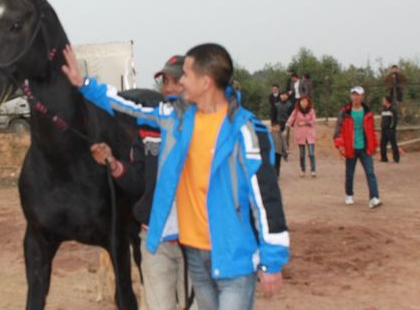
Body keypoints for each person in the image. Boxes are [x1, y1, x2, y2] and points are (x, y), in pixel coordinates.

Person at [62, 43, 289, 310]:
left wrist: (272, 261)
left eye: (186, 74)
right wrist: (84, 84)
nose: (180, 81)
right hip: (194, 253)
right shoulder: (176, 118)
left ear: (205, 82)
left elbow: (266, 198)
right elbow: (126, 106)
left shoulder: (247, 130)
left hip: (233, 257)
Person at [90, 55, 198, 310]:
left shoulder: (206, 126)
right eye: (165, 81)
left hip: (196, 241)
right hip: (154, 239)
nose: (169, 87)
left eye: (176, 81)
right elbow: (138, 182)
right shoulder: (148, 127)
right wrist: (114, 164)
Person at [333, 86, 382, 209]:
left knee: (370, 173)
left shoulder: (368, 113)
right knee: (350, 173)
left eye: (358, 95)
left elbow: (371, 131)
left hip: (365, 147)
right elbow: (338, 131)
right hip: (350, 147)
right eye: (354, 94)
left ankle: (374, 198)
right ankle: (349, 194)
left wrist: (374, 145)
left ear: (362, 97)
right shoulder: (344, 113)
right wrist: (340, 145)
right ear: (351, 96)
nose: (356, 97)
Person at [286, 96, 317, 178]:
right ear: (299, 102)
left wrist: (304, 123)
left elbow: (313, 121)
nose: (304, 103)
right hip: (300, 135)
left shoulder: (311, 111)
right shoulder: (296, 111)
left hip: (310, 134)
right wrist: (286, 128)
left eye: (306, 101)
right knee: (302, 154)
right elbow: (290, 120)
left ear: (308, 102)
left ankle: (313, 170)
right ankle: (302, 170)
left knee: (311, 153)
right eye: (302, 101)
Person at [272, 91, 293, 177]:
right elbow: (273, 115)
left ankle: (285, 153)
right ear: (280, 96)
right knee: (277, 139)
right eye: (281, 95)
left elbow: (291, 115)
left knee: (285, 138)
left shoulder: (290, 105)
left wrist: (290, 124)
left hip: (286, 123)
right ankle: (280, 153)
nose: (283, 96)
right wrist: (274, 124)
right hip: (278, 123)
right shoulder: (276, 105)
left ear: (287, 96)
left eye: (284, 95)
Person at [380, 95, 400, 163]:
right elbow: (382, 119)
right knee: (382, 144)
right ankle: (384, 158)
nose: (383, 102)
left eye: (383, 100)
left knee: (393, 144)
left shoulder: (393, 110)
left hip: (390, 131)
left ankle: (396, 158)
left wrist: (391, 128)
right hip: (384, 130)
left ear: (387, 101)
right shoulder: (383, 109)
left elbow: (395, 120)